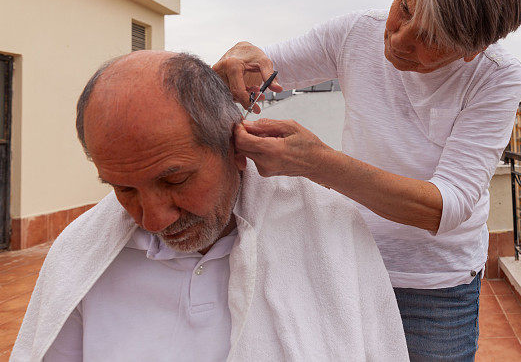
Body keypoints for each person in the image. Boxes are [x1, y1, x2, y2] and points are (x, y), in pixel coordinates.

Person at [215, 0, 521, 360]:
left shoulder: (495, 75)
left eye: (431, 39)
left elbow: (445, 206)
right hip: (347, 262)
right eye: (404, 8)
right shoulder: (354, 34)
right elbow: (260, 70)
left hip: (435, 290)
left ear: (472, 50)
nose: (399, 41)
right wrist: (240, 56)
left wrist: (317, 163)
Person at [12, 51, 408, 362]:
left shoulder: (330, 232)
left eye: (175, 180)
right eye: (124, 189)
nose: (153, 220)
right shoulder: (79, 258)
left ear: (236, 148)